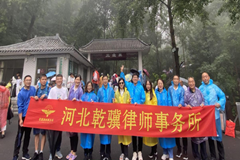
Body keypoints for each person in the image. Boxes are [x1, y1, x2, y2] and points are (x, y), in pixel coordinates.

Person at [120, 65, 145, 160]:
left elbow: (143, 98)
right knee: (134, 133)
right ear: (132, 78)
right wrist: (122, 72)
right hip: (131, 113)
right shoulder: (129, 85)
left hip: (139, 112)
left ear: (138, 79)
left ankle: (140, 152)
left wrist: (137, 103)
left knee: (140, 132)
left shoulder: (141, 87)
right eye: (133, 77)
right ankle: (134, 152)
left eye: (136, 77)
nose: (135, 79)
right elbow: (123, 81)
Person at [199, 72, 226, 160]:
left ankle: (221, 156)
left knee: (218, 137)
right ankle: (213, 156)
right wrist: (201, 104)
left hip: (215, 116)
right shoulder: (200, 88)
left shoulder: (215, 87)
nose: (205, 78)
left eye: (206, 76)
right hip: (207, 117)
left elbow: (222, 96)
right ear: (202, 79)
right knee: (210, 137)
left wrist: (220, 103)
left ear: (209, 77)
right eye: (203, 77)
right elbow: (198, 100)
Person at [12, 75, 36, 160]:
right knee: (19, 136)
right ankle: (15, 155)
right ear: (24, 81)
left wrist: (35, 98)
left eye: (30, 80)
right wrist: (20, 119)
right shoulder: (21, 93)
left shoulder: (33, 89)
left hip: (30, 117)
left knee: (27, 136)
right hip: (23, 117)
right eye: (27, 80)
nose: (29, 82)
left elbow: (36, 99)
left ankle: (25, 152)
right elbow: (20, 107)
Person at [184, 77, 208, 160]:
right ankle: (196, 156)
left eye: (192, 81)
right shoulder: (186, 93)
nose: (191, 83)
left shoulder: (198, 91)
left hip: (200, 117)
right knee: (194, 137)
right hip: (192, 117)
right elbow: (184, 102)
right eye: (189, 82)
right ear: (188, 83)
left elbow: (203, 100)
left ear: (194, 82)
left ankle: (204, 155)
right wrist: (186, 106)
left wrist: (202, 104)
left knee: (202, 136)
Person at [47, 74, 68, 160]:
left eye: (60, 79)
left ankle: (58, 150)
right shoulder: (52, 90)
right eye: (58, 79)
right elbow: (49, 101)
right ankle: (51, 152)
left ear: (62, 80)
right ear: (55, 80)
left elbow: (66, 101)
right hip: (53, 115)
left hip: (61, 115)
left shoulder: (65, 89)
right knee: (51, 134)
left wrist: (62, 102)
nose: (59, 81)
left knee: (59, 134)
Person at [167, 75, 187, 160]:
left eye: (177, 79)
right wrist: (171, 106)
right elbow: (169, 99)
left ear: (179, 81)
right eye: (174, 79)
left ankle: (185, 150)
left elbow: (183, 98)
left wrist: (181, 103)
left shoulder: (182, 89)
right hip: (173, 113)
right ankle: (179, 149)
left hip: (181, 112)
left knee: (184, 132)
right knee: (176, 131)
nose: (176, 80)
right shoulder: (170, 89)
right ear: (173, 80)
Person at [156, 79, 175, 160]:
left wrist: (170, 114)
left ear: (163, 84)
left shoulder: (166, 93)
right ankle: (165, 152)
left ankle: (171, 154)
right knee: (162, 136)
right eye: (159, 83)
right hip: (159, 117)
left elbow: (170, 103)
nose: (160, 85)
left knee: (169, 135)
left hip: (167, 117)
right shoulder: (155, 93)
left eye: (161, 83)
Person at [32, 74, 50, 160]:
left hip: (45, 115)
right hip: (37, 115)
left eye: (45, 79)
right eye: (42, 79)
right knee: (36, 134)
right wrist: (35, 98)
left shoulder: (49, 90)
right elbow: (32, 99)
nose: (44, 81)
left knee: (43, 133)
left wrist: (46, 97)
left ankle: (41, 151)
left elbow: (51, 100)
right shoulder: (37, 90)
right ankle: (36, 151)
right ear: (39, 80)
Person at [97, 74, 115, 160]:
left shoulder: (111, 90)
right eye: (103, 79)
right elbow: (97, 101)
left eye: (106, 79)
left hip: (109, 115)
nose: (105, 81)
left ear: (108, 80)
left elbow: (113, 100)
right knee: (102, 133)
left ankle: (108, 153)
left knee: (108, 134)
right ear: (102, 81)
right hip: (102, 115)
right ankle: (102, 152)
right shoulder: (100, 90)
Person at [114, 78, 131, 160]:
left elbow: (128, 103)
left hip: (126, 116)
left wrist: (129, 102)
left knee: (126, 136)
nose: (121, 84)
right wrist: (114, 102)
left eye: (122, 83)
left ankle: (127, 155)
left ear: (124, 84)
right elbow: (116, 104)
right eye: (120, 83)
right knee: (120, 136)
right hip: (119, 117)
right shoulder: (116, 93)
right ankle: (122, 153)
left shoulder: (127, 92)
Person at [66, 75, 83, 160]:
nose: (77, 81)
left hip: (76, 114)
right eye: (76, 79)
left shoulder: (80, 90)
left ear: (80, 81)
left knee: (75, 133)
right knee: (70, 133)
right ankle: (71, 150)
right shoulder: (71, 88)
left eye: (78, 80)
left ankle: (74, 152)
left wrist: (76, 101)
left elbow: (81, 100)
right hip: (70, 112)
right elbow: (68, 99)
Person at [80, 81, 98, 160]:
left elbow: (97, 105)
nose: (89, 87)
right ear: (86, 87)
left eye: (90, 86)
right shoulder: (83, 96)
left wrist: (94, 104)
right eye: (88, 86)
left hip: (91, 119)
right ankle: (85, 152)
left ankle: (90, 152)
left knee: (90, 136)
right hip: (84, 119)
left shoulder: (94, 95)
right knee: (84, 135)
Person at [143, 80, 158, 160]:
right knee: (149, 135)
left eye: (149, 84)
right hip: (146, 117)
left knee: (153, 135)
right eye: (147, 84)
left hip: (152, 117)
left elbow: (155, 103)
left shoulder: (153, 93)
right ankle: (152, 151)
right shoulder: (144, 93)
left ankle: (155, 152)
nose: (148, 86)